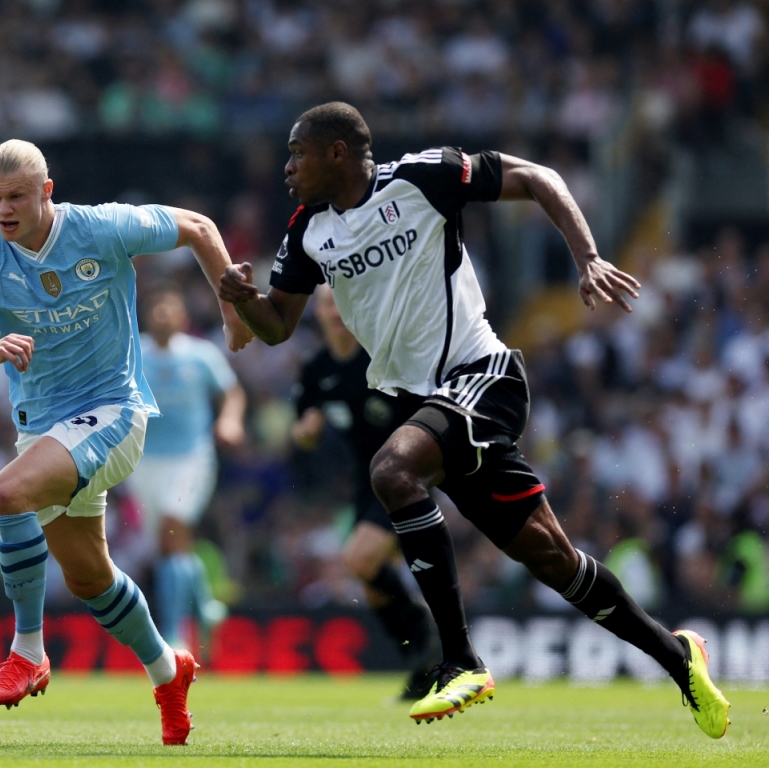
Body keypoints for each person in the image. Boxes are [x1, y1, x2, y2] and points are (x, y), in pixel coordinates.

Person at [218, 102, 730, 737]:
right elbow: (278, 325)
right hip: (424, 405)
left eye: (297, 154)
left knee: (391, 469)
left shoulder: (422, 177)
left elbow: (540, 178)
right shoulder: (308, 232)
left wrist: (588, 257)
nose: (288, 168)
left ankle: (459, 659)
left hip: (482, 376)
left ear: (337, 153)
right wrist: (243, 300)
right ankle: (678, 657)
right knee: (554, 560)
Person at [0, 139, 253, 745]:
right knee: (90, 578)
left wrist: (230, 311)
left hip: (115, 411)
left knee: (7, 493)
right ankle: (169, 672)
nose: (4, 210)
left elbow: (199, 226)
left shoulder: (100, 227)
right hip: (43, 426)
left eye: (17, 197)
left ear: (47, 191)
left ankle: (28, 649)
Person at [291, 283, 438, 699]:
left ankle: (429, 634)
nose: (335, 312)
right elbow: (300, 430)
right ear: (316, 313)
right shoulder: (316, 369)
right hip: (365, 482)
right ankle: (422, 664)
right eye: (326, 305)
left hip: (405, 475)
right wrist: (306, 433)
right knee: (373, 584)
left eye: (341, 304)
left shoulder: (382, 359)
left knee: (357, 559)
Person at [127, 286, 246, 653]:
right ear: (146, 315)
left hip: (191, 457)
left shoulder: (201, 355)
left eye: (170, 304)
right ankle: (206, 605)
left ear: (183, 316)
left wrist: (230, 420)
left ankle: (176, 634)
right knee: (169, 547)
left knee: (171, 527)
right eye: (156, 304)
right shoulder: (132, 353)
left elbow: (232, 392)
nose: (162, 311)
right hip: (143, 460)